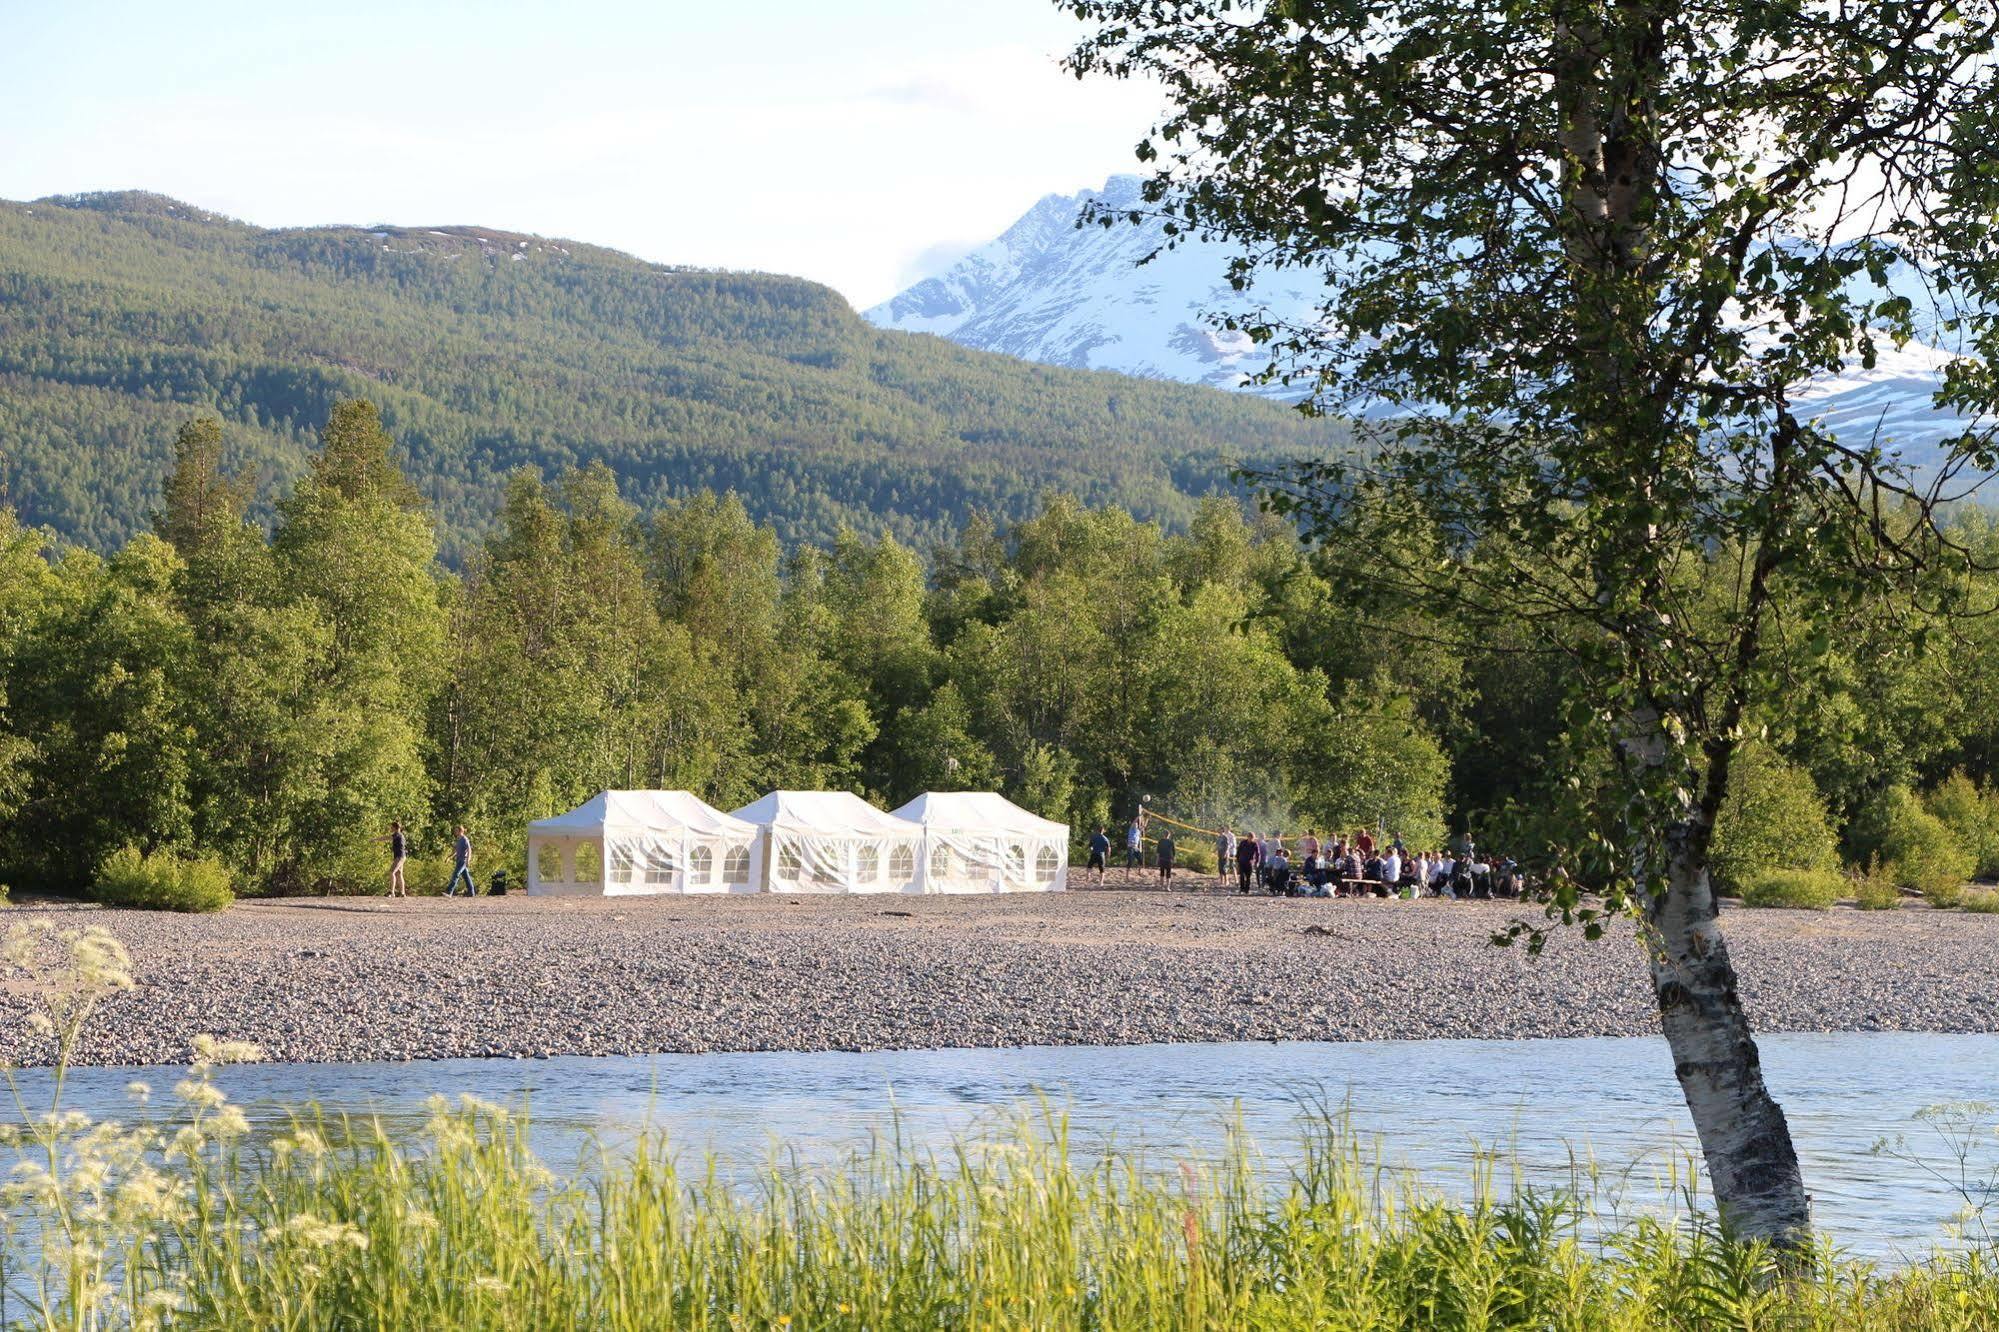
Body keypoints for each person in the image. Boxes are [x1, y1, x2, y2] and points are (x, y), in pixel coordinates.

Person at [376, 819, 409, 898]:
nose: (390, 829)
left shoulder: (397, 834)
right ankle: (402, 893)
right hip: (401, 856)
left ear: (395, 828)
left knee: (392, 872)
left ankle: (392, 892)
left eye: (391, 827)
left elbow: (386, 838)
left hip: (399, 856)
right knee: (399, 874)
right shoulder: (400, 835)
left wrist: (376, 839)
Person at [447, 824, 479, 897]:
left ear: (461, 831)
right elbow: (456, 851)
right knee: (466, 877)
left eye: (456, 830)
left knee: (456, 875)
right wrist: (449, 857)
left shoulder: (465, 839)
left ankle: (449, 891)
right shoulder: (459, 840)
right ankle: (471, 892)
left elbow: (469, 850)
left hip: (463, 861)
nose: (455, 832)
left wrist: (468, 860)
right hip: (459, 861)